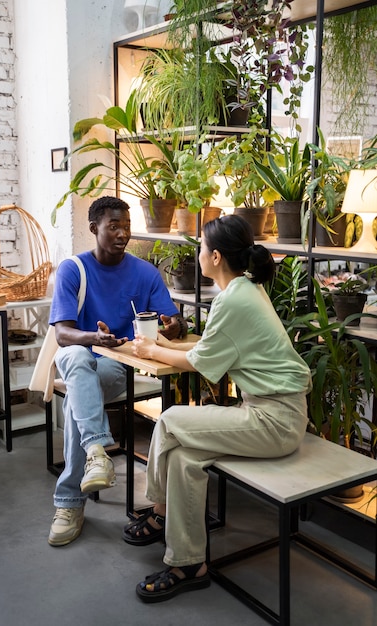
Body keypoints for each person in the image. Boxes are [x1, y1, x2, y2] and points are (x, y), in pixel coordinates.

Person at [123, 214, 312, 602]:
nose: (199, 253)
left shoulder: (235, 299)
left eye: (202, 248)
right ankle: (190, 562)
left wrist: (151, 349)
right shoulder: (243, 290)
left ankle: (158, 511)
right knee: (184, 459)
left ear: (216, 257)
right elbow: (206, 350)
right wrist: (161, 345)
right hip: (269, 413)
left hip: (273, 421)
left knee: (171, 419)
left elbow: (197, 361)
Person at [47, 196, 188, 547]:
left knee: (77, 402)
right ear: (94, 229)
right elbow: (62, 334)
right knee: (77, 359)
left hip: (117, 365)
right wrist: (93, 337)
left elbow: (175, 320)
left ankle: (71, 499)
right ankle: (97, 451)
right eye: (113, 226)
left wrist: (173, 326)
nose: (122, 233)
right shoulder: (73, 269)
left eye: (126, 226)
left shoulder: (145, 273)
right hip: (79, 354)